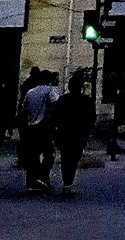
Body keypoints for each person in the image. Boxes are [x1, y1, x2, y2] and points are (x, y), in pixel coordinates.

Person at [52, 70, 97, 198]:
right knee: (74, 158)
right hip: (79, 134)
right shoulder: (87, 101)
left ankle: (67, 183)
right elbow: (91, 118)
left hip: (64, 133)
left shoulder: (62, 99)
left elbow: (55, 116)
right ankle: (68, 183)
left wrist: (56, 130)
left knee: (66, 158)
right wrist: (88, 131)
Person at [19, 66, 60, 194]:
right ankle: (42, 176)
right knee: (50, 153)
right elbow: (56, 103)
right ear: (48, 80)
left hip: (30, 126)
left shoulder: (30, 92)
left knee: (33, 154)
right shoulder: (49, 90)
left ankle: (31, 181)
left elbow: (23, 109)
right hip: (43, 126)